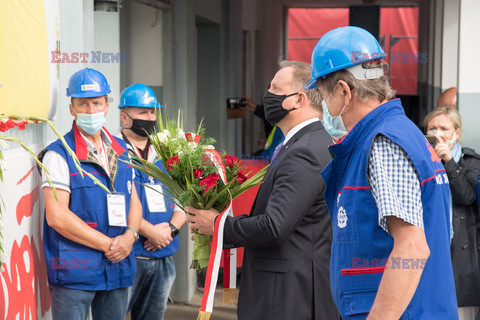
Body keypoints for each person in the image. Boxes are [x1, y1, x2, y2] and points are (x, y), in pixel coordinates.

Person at [305, 26, 458, 319]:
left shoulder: (383, 142)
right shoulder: (398, 134)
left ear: (344, 91)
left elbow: (411, 249)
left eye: (323, 96)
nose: (323, 107)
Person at [185, 61, 340, 320]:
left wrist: (218, 225)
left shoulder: (305, 151)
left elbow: (274, 226)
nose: (267, 96)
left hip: (287, 298)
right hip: (290, 292)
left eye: (275, 89)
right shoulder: (305, 144)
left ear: (299, 99)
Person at [39, 68, 142, 320]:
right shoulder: (58, 155)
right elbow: (57, 217)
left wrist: (130, 236)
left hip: (117, 266)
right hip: (76, 273)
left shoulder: (121, 149)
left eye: (97, 102)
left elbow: (134, 200)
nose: (91, 110)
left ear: (107, 105)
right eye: (82, 104)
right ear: (71, 108)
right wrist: (109, 245)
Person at [118, 83, 186, 320]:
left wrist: (172, 229)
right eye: (142, 113)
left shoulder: (167, 152)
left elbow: (185, 197)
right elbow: (112, 203)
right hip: (128, 256)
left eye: (152, 112)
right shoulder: (113, 152)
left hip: (164, 256)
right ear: (124, 117)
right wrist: (148, 231)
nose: (150, 118)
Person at [424, 106, 480, 320]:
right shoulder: (422, 160)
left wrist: (449, 161)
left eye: (444, 128)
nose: (438, 134)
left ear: (457, 133)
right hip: (431, 246)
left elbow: (466, 197)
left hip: (461, 252)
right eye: (432, 128)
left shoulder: (471, 163)